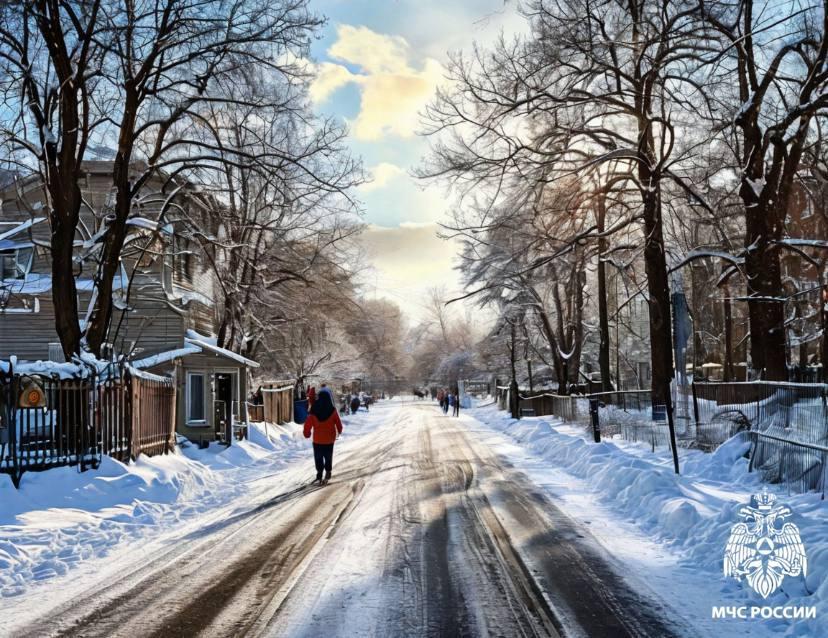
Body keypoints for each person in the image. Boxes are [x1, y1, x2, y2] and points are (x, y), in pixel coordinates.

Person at [303, 390, 343, 485]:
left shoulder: (314, 410)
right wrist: (339, 430)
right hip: (329, 439)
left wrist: (307, 434)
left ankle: (319, 473)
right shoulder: (332, 410)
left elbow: (307, 424)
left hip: (318, 440)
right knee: (328, 456)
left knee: (318, 457)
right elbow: (338, 423)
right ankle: (328, 471)